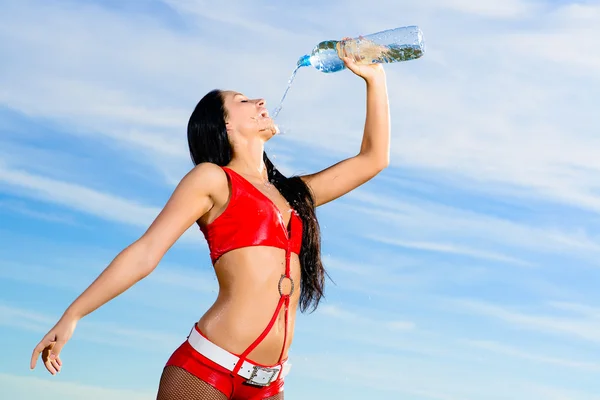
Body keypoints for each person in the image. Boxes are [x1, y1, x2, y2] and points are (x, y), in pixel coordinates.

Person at [30, 55, 390, 400]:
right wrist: (72, 315)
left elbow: (374, 159)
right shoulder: (214, 180)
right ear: (226, 125)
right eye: (243, 100)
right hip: (207, 372)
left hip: (269, 384)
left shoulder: (294, 195)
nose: (260, 100)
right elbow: (145, 252)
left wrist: (375, 79)